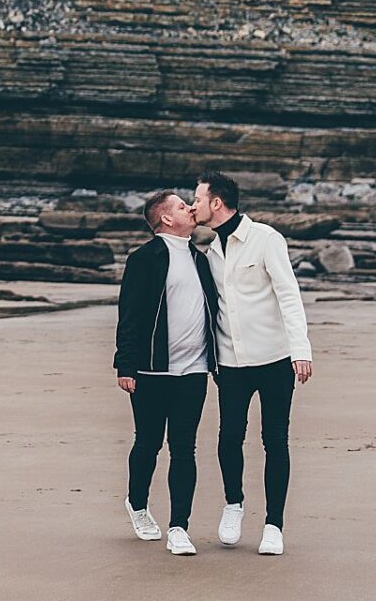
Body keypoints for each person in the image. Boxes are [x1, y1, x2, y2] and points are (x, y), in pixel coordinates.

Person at [192, 173, 314, 557]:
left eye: (197, 199)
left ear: (216, 203)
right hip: (230, 363)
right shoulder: (208, 251)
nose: (193, 206)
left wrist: (301, 349)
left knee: (275, 440)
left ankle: (274, 525)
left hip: (275, 359)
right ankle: (234, 504)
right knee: (229, 436)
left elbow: (289, 295)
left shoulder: (265, 239)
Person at [113, 190, 220, 556]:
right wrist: (126, 365)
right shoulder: (144, 259)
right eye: (182, 206)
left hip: (194, 371)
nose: (190, 208)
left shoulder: (201, 259)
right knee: (148, 443)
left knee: (184, 448)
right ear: (166, 219)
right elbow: (129, 315)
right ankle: (137, 503)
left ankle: (179, 528)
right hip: (151, 370)